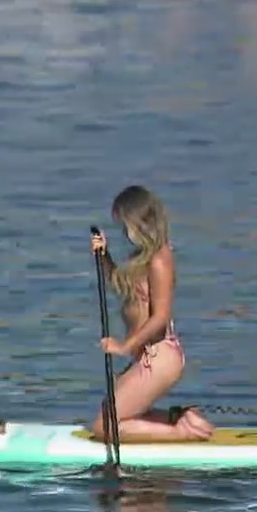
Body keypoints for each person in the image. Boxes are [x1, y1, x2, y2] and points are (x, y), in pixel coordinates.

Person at [90, 185, 215, 441]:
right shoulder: (142, 257)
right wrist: (104, 257)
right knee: (114, 415)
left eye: (126, 225)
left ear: (140, 223)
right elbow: (123, 287)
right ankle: (179, 419)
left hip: (159, 357)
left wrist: (126, 346)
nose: (124, 232)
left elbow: (160, 316)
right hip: (148, 356)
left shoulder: (160, 259)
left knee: (105, 427)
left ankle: (181, 433)